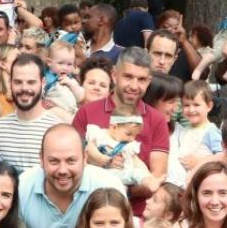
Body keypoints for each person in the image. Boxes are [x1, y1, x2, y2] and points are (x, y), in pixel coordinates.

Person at [72, 47, 170, 215]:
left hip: (135, 213)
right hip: (88, 211)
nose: (134, 86)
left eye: (141, 79)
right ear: (115, 75)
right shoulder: (88, 112)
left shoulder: (156, 120)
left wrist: (120, 189)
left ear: (149, 81)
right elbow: (73, 161)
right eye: (128, 77)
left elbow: (157, 175)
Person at [0, 53, 64, 173]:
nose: (24, 88)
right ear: (10, 83)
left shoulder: (57, 129)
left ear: (43, 83)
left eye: (31, 82)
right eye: (18, 82)